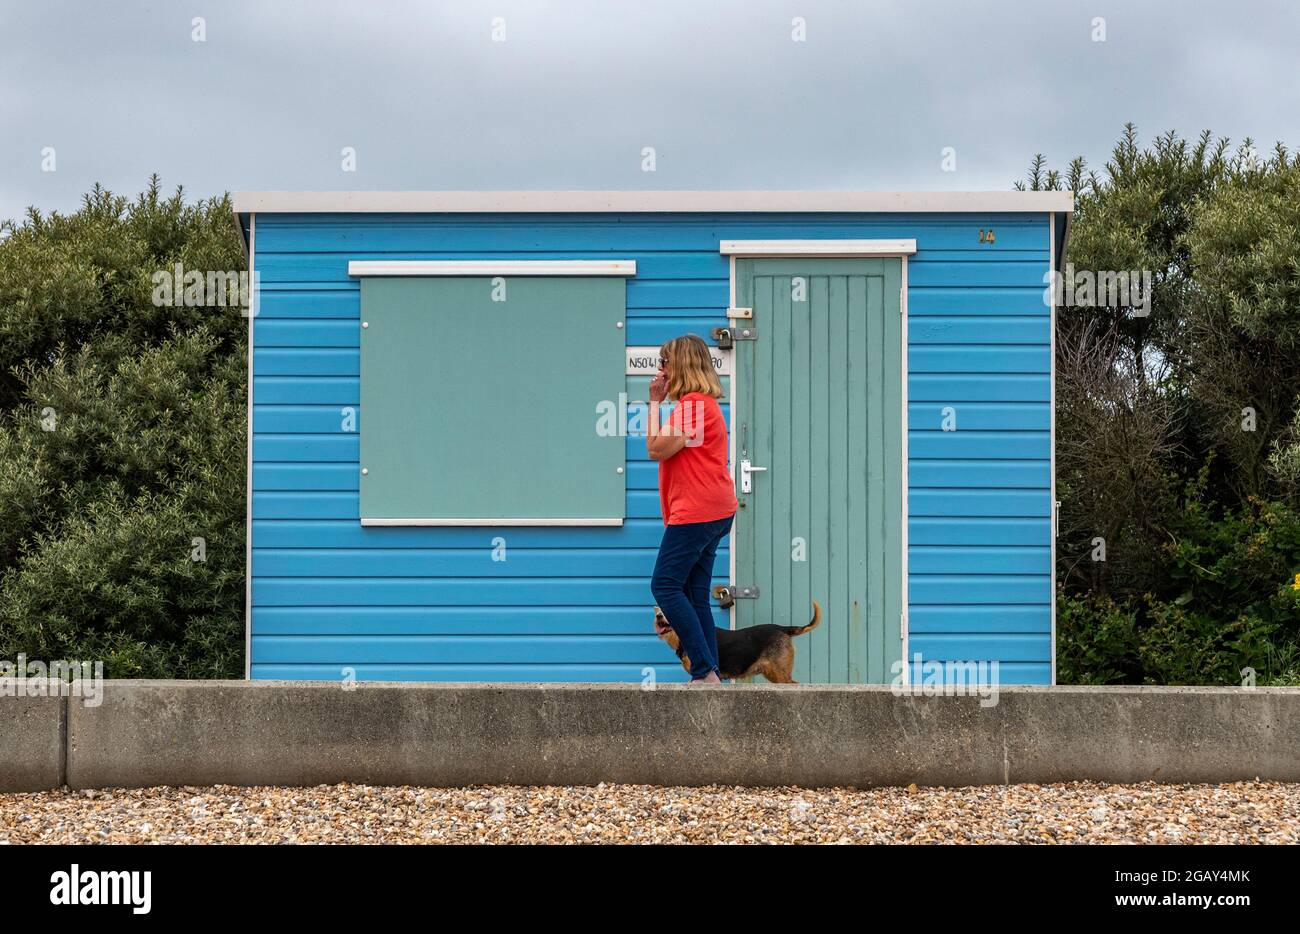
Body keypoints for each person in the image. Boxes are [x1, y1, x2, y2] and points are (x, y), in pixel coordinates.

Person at [646, 334, 738, 686]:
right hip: (714, 511)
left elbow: (656, 448)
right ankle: (712, 672)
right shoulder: (700, 405)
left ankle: (704, 671)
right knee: (695, 593)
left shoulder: (694, 405)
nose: (660, 370)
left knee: (665, 586)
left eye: (665, 362)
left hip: (698, 511)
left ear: (681, 365)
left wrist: (654, 403)